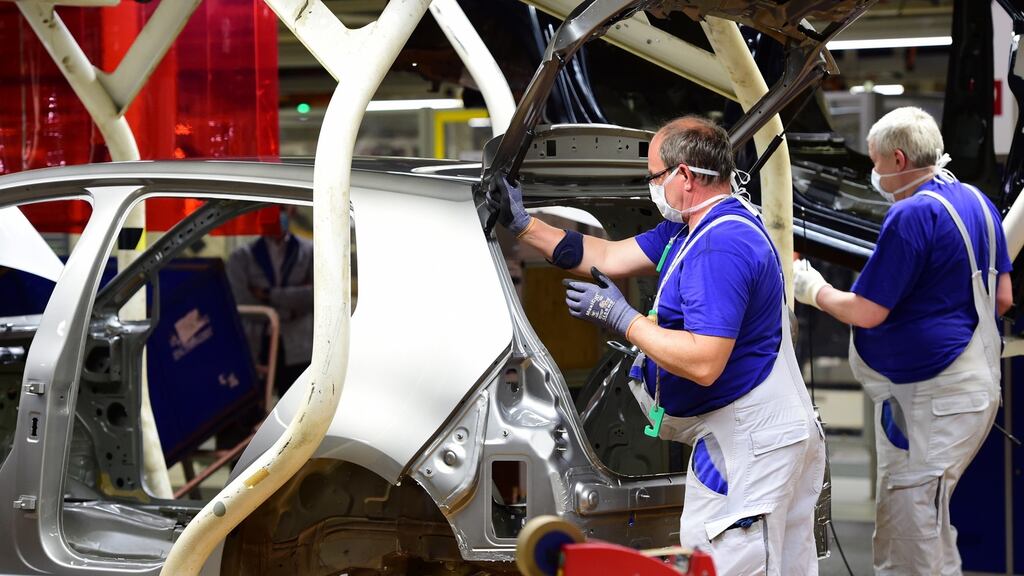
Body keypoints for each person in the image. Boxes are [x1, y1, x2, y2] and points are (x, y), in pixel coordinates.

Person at [493, 116, 825, 575]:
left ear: (684, 176)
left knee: (728, 564)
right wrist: (525, 225)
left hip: (749, 442)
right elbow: (606, 256)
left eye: (653, 177)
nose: (651, 187)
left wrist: (623, 318)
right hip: (768, 432)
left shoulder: (719, 246)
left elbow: (705, 362)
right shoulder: (699, 228)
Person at [793, 106, 1013, 576]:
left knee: (910, 534)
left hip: (932, 401)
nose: (873, 174)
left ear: (897, 159)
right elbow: (1003, 299)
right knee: (930, 524)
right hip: (971, 388)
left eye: (874, 164)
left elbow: (867, 311)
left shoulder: (911, 215)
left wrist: (810, 287)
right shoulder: (977, 202)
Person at [226, 206, 313, 397]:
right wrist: (285, 312)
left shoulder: (310, 252)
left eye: (282, 209)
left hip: (299, 348)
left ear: (291, 212)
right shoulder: (241, 257)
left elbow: (315, 295)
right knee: (255, 408)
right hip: (258, 344)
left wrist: (269, 294)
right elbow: (241, 301)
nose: (277, 215)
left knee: (294, 404)